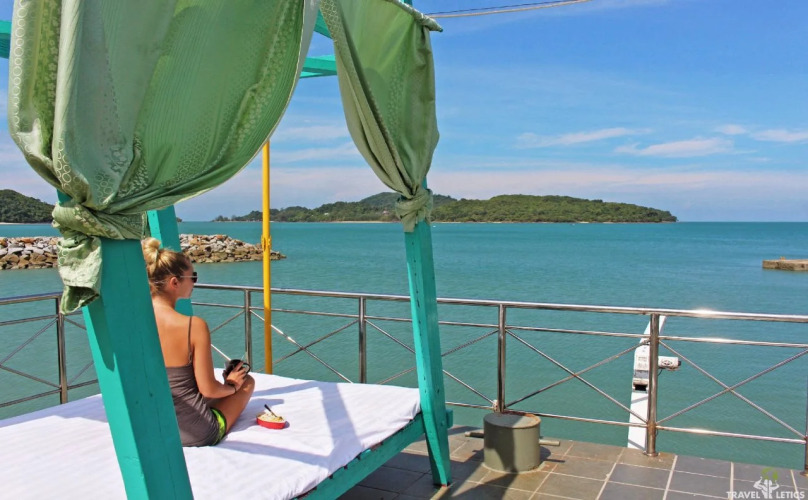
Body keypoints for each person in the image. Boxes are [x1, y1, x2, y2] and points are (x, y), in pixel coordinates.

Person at [142, 237, 255, 446]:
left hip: (150, 428)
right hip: (194, 432)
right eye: (193, 277)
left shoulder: (134, 323)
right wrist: (232, 386)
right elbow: (208, 390)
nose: (195, 282)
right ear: (174, 282)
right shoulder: (193, 326)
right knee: (247, 382)